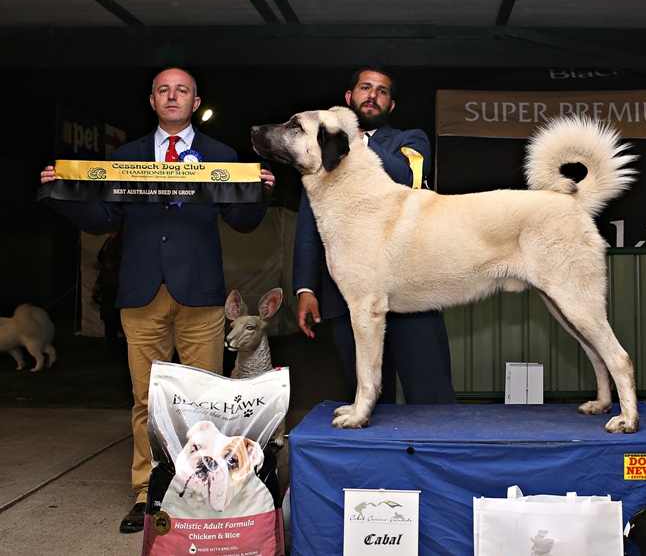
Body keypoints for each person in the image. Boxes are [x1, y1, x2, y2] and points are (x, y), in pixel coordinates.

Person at [40, 67, 276, 534]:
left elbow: (243, 222)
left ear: (195, 101)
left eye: (181, 90)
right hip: (141, 293)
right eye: (164, 90)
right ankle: (148, 494)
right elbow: (102, 216)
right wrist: (59, 193)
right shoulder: (125, 157)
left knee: (204, 402)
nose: (173, 97)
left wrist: (261, 193)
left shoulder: (221, 156)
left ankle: (202, 494)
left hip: (201, 295)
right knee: (147, 400)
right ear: (152, 101)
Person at [292, 66, 456, 406]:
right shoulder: (320, 152)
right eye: (365, 88)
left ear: (391, 105)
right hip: (350, 300)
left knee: (431, 401)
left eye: (382, 91)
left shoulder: (409, 140)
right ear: (349, 97)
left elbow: (405, 176)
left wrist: (349, 138)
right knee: (369, 403)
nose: (373, 95)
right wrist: (305, 288)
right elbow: (310, 225)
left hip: (413, 298)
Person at [93, 225, 123, 356]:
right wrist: (98, 282)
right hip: (106, 282)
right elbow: (104, 261)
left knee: (113, 316)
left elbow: (123, 260)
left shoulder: (121, 240)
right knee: (107, 316)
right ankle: (110, 347)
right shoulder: (108, 240)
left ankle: (118, 346)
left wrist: (109, 265)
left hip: (116, 283)